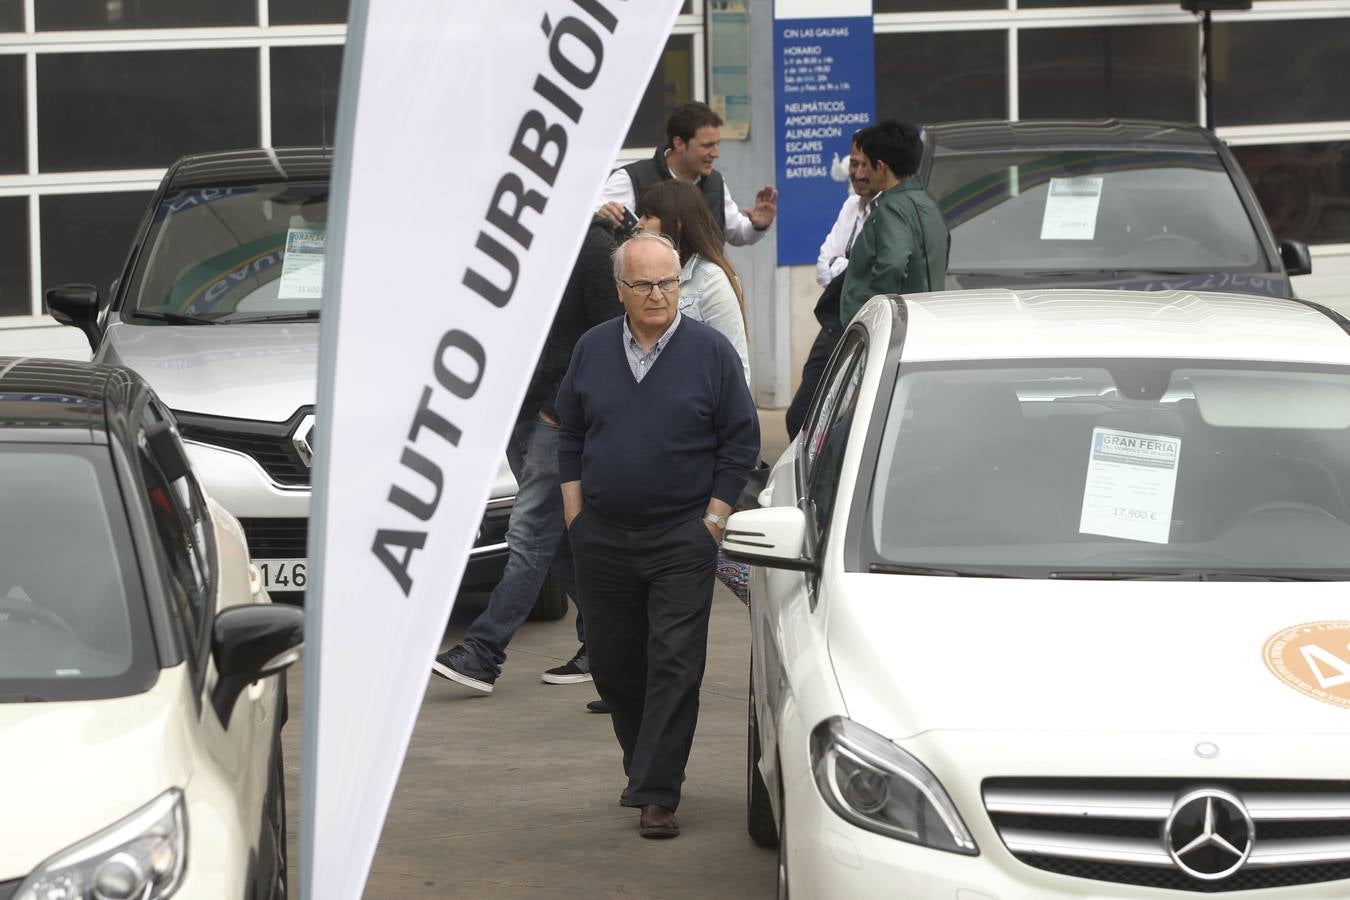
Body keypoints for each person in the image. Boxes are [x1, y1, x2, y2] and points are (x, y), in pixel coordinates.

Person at [556, 231, 760, 839]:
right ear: (620, 290)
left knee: (675, 663)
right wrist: (575, 515)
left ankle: (657, 792)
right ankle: (642, 765)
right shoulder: (593, 349)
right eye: (642, 284)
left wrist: (714, 521)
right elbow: (569, 433)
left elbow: (741, 442)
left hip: (681, 538)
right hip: (603, 538)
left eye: (667, 282)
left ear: (680, 284)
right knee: (617, 667)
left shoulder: (711, 353)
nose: (656, 294)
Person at [431, 217, 623, 693]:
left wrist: (562, 406)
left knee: (529, 534)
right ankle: (611, 643)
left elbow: (608, 334)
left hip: (555, 416)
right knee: (555, 546)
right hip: (516, 411)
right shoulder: (515, 243)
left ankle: (482, 652)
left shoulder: (592, 244)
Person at [785, 134, 879, 440]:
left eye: (866, 165)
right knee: (799, 416)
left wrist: (844, 263)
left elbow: (863, 274)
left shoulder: (888, 215)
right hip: (833, 325)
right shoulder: (852, 205)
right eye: (853, 163)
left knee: (841, 424)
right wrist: (848, 265)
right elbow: (824, 267)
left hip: (865, 325)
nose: (858, 173)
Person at [597, 101, 777, 247]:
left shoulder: (715, 182)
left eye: (717, 144)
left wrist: (758, 225)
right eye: (707, 145)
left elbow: (736, 232)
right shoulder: (630, 178)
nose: (716, 153)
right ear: (679, 144)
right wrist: (600, 216)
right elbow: (589, 231)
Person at [636, 179, 751, 385]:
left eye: (648, 216)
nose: (639, 224)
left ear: (677, 223)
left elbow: (736, 369)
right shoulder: (639, 276)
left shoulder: (711, 280)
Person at [838, 120, 950, 327]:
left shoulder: (890, 209)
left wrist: (873, 315)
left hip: (893, 334)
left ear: (880, 167)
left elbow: (893, 263)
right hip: (927, 322)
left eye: (867, 164)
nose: (862, 173)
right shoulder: (927, 203)